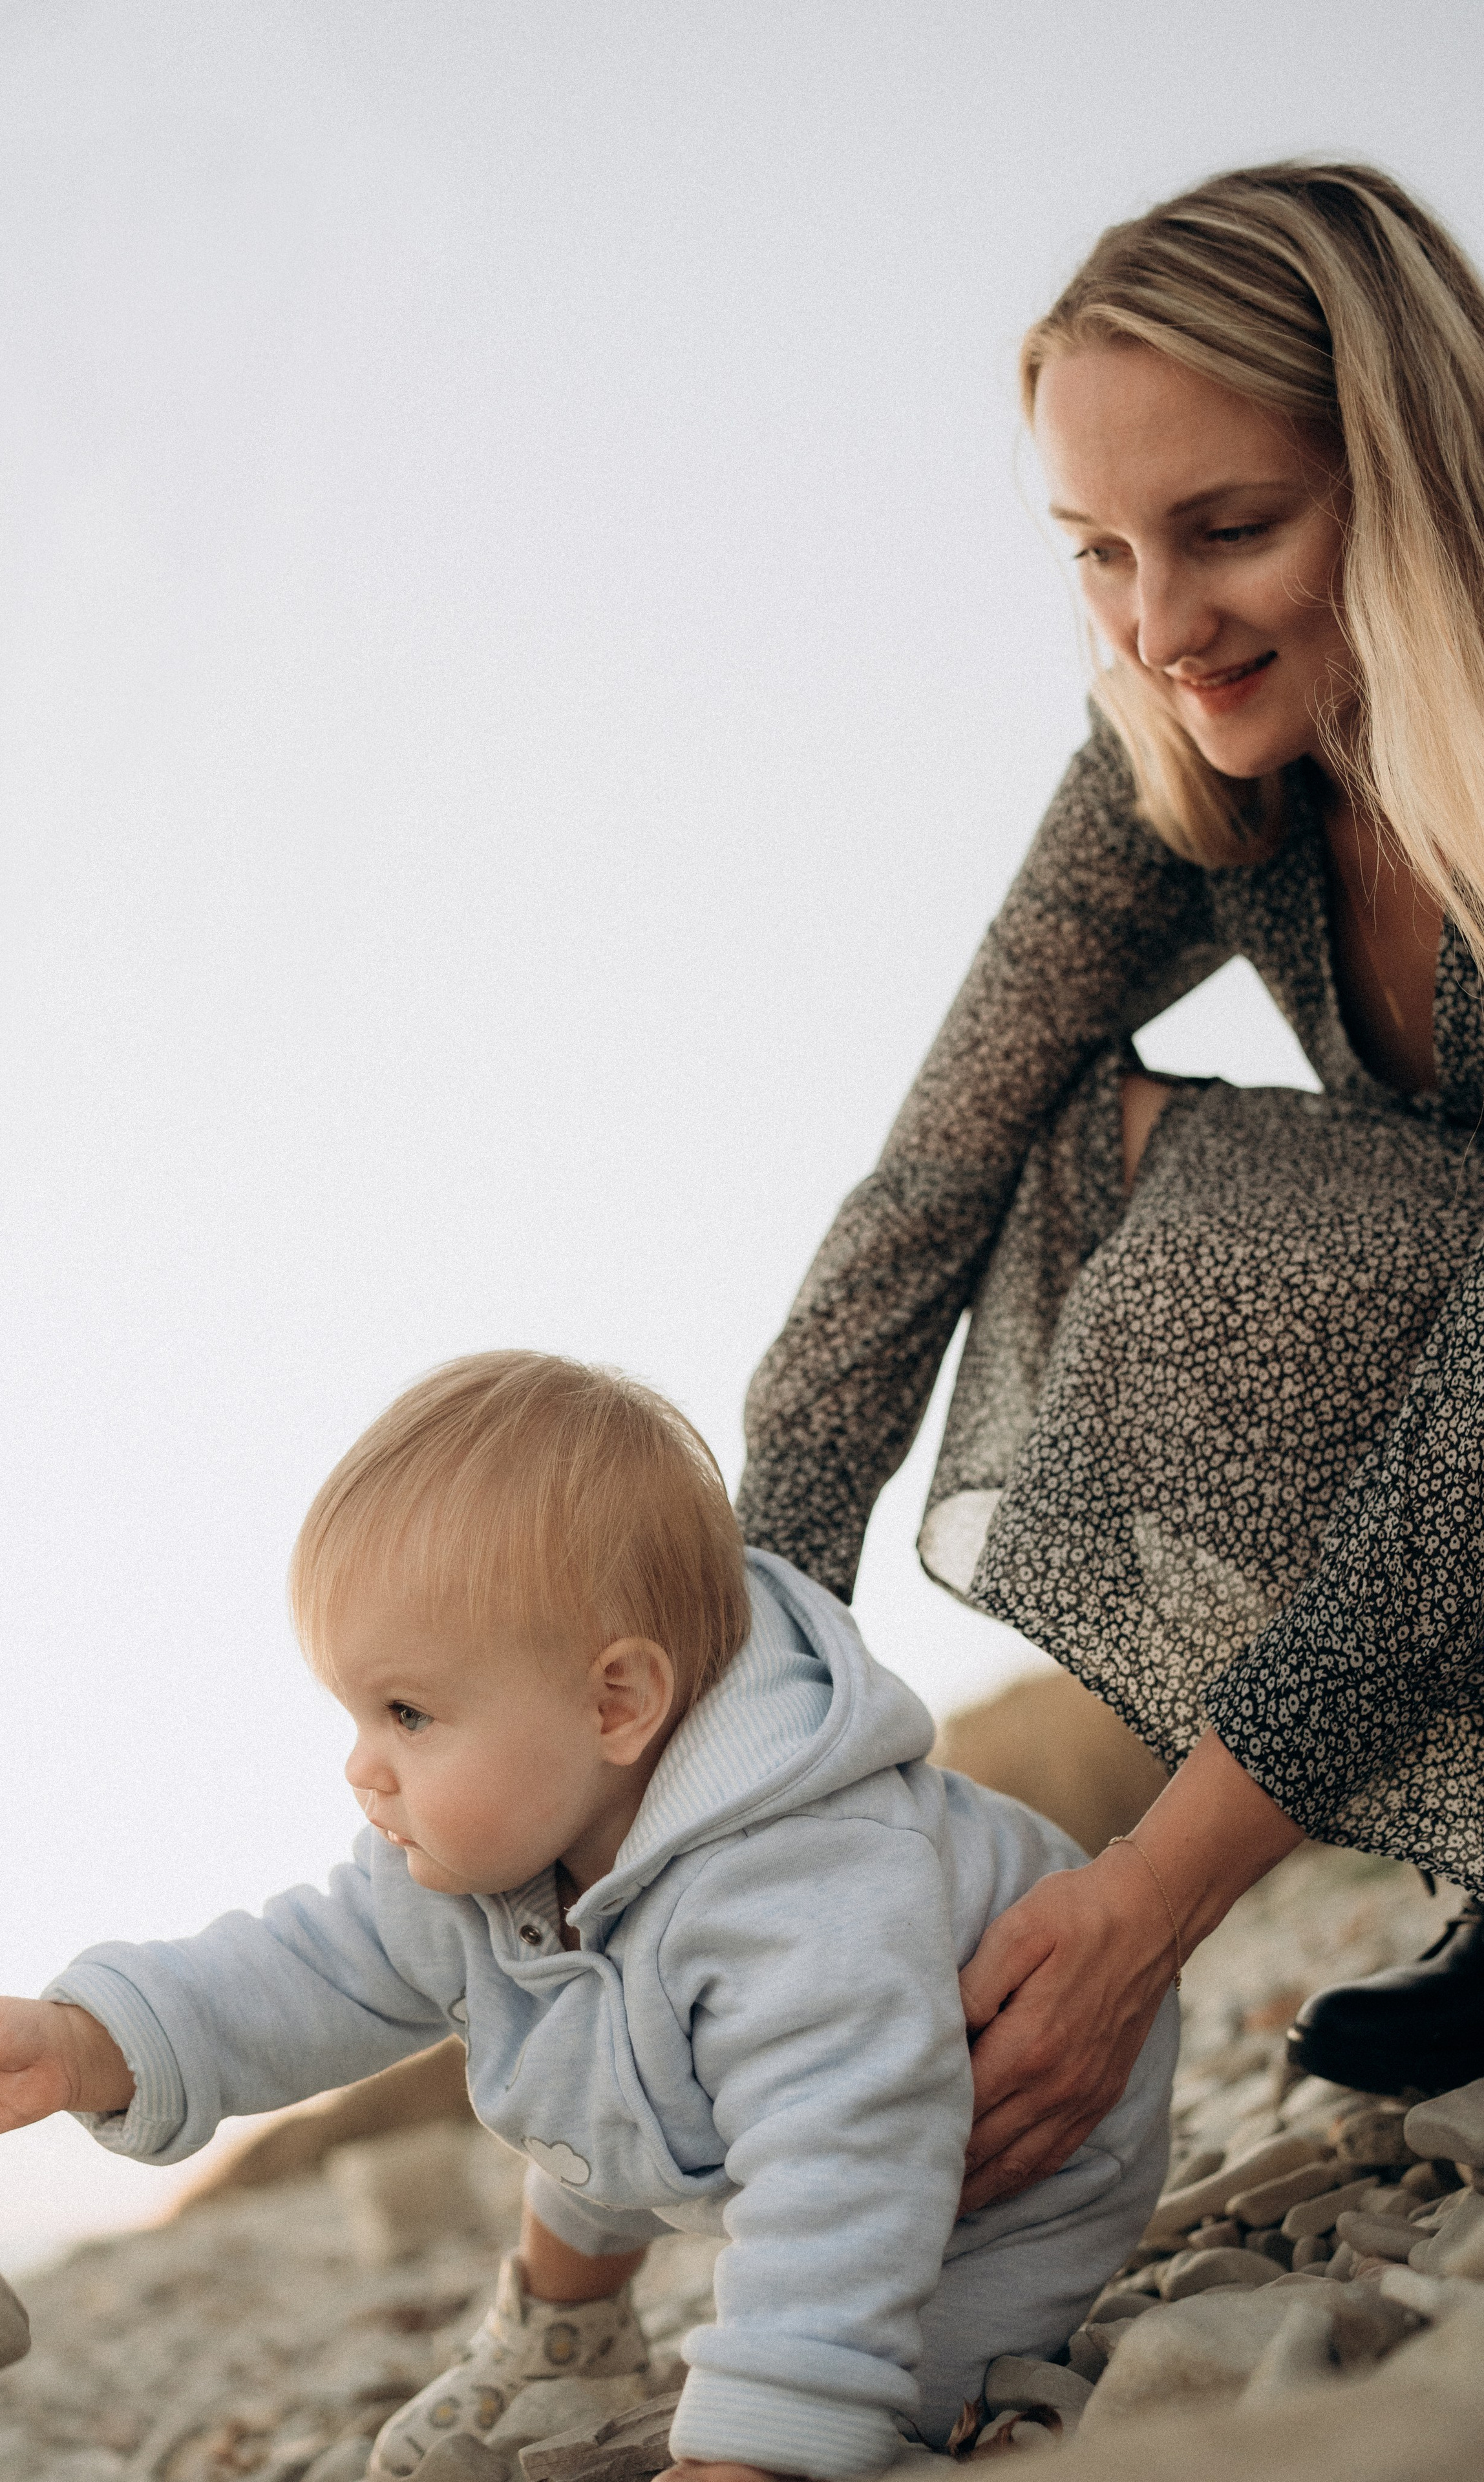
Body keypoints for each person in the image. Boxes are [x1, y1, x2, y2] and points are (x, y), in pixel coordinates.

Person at [735, 158, 1484, 2222]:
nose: (1157, 627)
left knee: (1261, 1238)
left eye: (1233, 530)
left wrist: (1156, 1893)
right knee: (1084, 1164)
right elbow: (934, 1174)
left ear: (1415, 476)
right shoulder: (1194, 757)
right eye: (1098, 552)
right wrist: (741, 1694)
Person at [0, 1352, 1176, 2480]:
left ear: (615, 1704)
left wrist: (762, 2438)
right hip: (697, 2103)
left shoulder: (802, 1885)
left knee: (904, 2388)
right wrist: (90, 2042)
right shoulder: (483, 1849)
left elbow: (846, 2160)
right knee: (562, 2039)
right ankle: (567, 2334)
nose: (362, 1768)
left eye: (407, 1714)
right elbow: (298, 1973)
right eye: (356, 1714)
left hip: (1010, 2158)